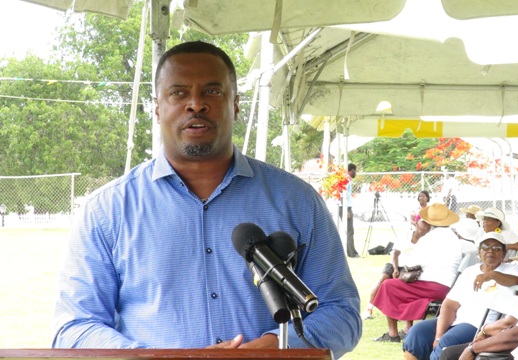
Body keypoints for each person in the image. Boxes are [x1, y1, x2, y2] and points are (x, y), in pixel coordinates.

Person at [52, 41, 362, 355]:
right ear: (158, 108)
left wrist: (271, 347)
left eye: (212, 91)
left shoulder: (297, 201)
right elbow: (75, 326)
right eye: (178, 93)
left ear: (236, 105)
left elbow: (342, 313)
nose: (196, 104)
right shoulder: (107, 211)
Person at [402, 231, 518, 360]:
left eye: (496, 248)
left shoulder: (512, 270)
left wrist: (492, 275)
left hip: (480, 325)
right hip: (457, 321)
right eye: (485, 247)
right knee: (418, 332)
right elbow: (449, 305)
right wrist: (438, 335)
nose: (490, 251)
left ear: (504, 254)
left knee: (448, 341)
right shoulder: (470, 271)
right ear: (479, 252)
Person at [372, 204, 462, 343]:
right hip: (447, 287)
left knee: (388, 286)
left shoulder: (430, 238)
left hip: (431, 286)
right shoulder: (454, 237)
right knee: (400, 286)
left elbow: (413, 262)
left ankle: (393, 333)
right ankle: (407, 328)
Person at [341, 163, 359, 258]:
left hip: (346, 207)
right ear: (351, 170)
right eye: (355, 171)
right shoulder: (346, 180)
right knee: (350, 231)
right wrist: (346, 210)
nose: (355, 173)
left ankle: (350, 252)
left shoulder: (347, 180)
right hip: (345, 207)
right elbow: (342, 194)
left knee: (349, 230)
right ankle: (352, 253)